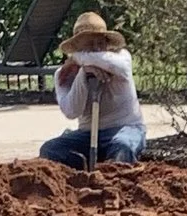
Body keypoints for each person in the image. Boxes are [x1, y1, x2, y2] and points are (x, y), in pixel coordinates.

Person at [39, 13, 145, 167]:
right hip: (86, 135)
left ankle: (111, 171)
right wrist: (83, 74)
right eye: (89, 45)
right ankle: (86, 169)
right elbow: (71, 111)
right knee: (50, 150)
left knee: (122, 148)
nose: (96, 49)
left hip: (124, 128)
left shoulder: (121, 59)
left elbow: (116, 65)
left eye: (100, 43)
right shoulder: (64, 74)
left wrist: (80, 58)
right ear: (77, 47)